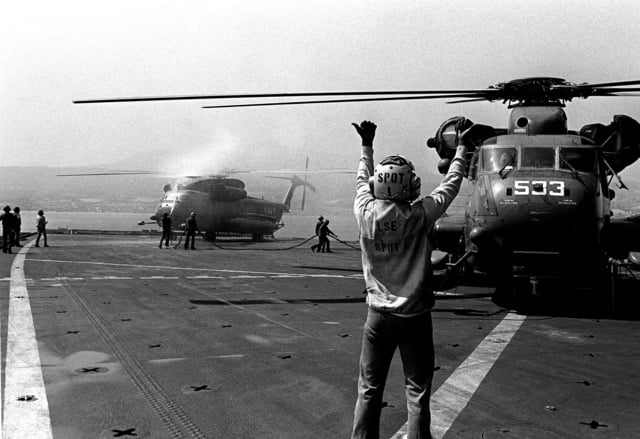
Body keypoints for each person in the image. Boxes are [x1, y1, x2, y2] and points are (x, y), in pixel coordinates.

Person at [350, 120, 472, 439]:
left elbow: (362, 179)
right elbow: (451, 184)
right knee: (416, 391)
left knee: (368, 389)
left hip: (377, 315)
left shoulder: (364, 211)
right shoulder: (419, 215)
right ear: (409, 186)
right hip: (415, 316)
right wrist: (461, 149)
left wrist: (367, 145)